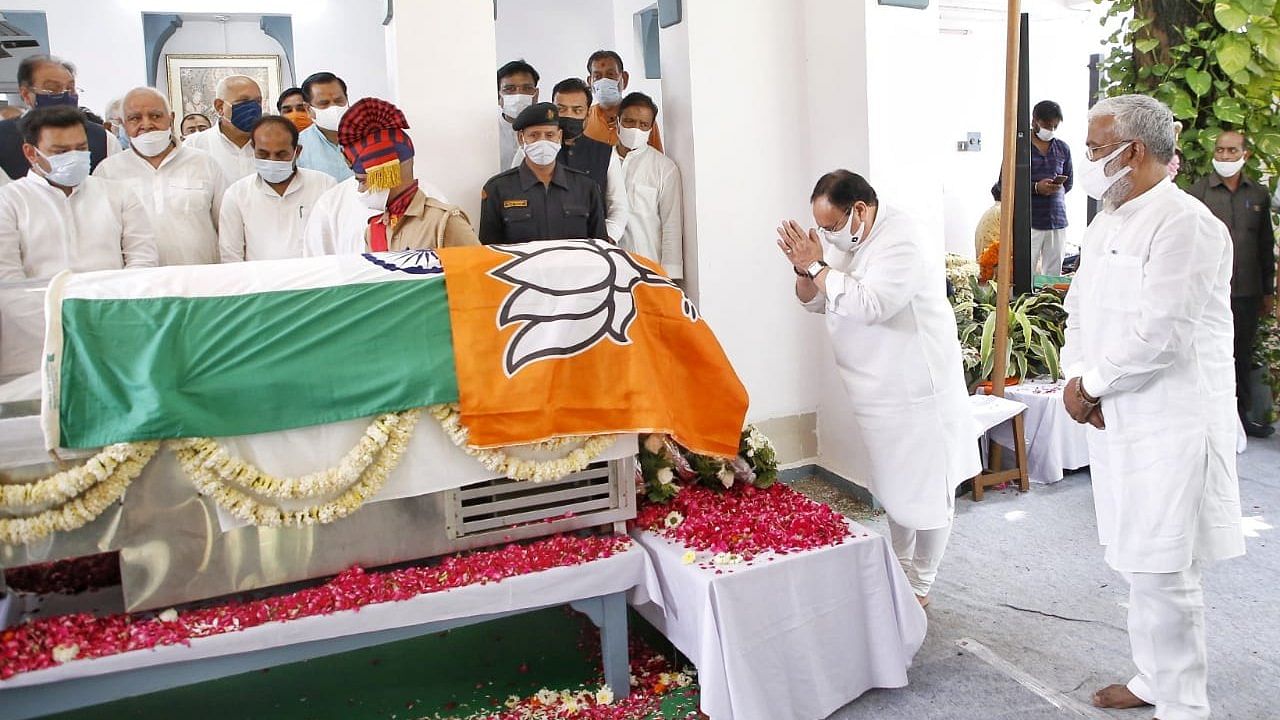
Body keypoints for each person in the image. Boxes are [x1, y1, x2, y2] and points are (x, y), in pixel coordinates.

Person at [1061, 94, 1245, 720]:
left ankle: (1184, 706)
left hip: (1172, 422)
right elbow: (1079, 310)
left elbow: (1161, 336)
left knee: (1167, 566)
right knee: (1134, 556)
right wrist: (1076, 378)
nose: (1087, 161)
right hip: (1114, 416)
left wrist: (1091, 389)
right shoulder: (1106, 220)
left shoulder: (1186, 224)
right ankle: (1152, 678)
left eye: (1093, 150)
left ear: (1131, 152)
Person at [777, 170, 978, 608]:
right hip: (874, 390)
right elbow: (815, 298)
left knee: (928, 493)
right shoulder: (843, 239)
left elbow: (871, 304)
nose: (827, 236)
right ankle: (900, 571)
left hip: (916, 389)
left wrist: (816, 265)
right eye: (823, 228)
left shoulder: (901, 238)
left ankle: (920, 587)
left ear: (861, 211)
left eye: (831, 226)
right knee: (894, 488)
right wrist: (803, 267)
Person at [1186, 130, 1277, 438]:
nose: (1224, 157)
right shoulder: (1198, 193)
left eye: (1231, 151)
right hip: (1209, 293)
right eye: (1220, 151)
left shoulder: (1258, 195)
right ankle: (1206, 421)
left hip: (1247, 292)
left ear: (1245, 155)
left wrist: (1268, 291)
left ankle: (1240, 420)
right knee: (1209, 354)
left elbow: (1266, 244)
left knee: (1241, 354)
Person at [0, 106, 157, 280]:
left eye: (81, 148)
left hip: (112, 303)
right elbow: (8, 277)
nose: (74, 157)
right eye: (61, 152)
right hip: (42, 305)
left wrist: (119, 303)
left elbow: (142, 259)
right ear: (31, 153)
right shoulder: (9, 201)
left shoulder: (118, 194)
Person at [306, 97, 476, 254]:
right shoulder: (374, 230)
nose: (360, 190)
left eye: (363, 181)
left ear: (387, 174)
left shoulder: (444, 221)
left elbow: (478, 277)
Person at [94, 87, 226, 266]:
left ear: (171, 119)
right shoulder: (108, 171)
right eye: (135, 118)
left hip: (200, 281)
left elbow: (226, 227)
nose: (147, 124)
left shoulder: (204, 163)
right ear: (124, 124)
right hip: (138, 285)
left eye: (155, 116)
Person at [512, 78, 629, 242]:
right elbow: (513, 197)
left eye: (577, 110)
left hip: (592, 249)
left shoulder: (606, 153)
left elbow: (618, 205)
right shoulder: (529, 150)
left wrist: (607, 238)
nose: (568, 116)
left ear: (588, 114)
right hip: (539, 248)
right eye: (562, 109)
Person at [479, 102, 607, 245]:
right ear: (521, 138)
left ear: (559, 136)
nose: (542, 141)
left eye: (549, 135)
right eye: (534, 135)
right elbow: (489, 252)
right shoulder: (497, 189)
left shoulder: (586, 187)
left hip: (574, 267)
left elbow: (600, 247)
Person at [218, 116, 335, 262]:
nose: (272, 161)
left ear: (297, 152)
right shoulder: (236, 195)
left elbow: (335, 243)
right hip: (260, 282)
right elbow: (231, 255)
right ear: (253, 150)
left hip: (312, 280)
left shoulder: (324, 185)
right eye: (263, 154)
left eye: (281, 154)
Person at [0, 55, 120, 180]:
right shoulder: (3, 137)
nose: (65, 95)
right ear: (26, 94)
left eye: (70, 88)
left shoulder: (104, 139)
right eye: (53, 89)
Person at [991, 100, 1073, 277]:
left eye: (1055, 126)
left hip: (1056, 221)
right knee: (1024, 273)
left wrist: (1054, 188)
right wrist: (1036, 188)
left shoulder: (1062, 149)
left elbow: (1069, 183)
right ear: (1034, 121)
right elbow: (1003, 185)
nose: (1050, 130)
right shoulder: (1017, 148)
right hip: (1028, 222)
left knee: (1053, 276)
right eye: (1047, 125)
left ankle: (1049, 304)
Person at [615, 92, 683, 278]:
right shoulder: (602, 161)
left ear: (651, 128)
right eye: (629, 122)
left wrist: (668, 276)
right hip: (607, 269)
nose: (636, 129)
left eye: (643, 124)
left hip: (648, 270)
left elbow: (671, 225)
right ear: (617, 122)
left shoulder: (664, 168)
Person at [184, 74, 263, 183]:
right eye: (244, 101)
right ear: (220, 106)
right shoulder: (194, 145)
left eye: (258, 101)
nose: (253, 107)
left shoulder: (270, 143)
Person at [583, 51, 663, 152]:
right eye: (597, 77)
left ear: (624, 79)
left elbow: (657, 159)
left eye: (610, 75)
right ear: (590, 82)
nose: (604, 81)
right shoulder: (584, 119)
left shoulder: (643, 118)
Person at [295, 71, 354, 182]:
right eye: (324, 103)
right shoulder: (299, 145)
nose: (334, 107)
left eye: (339, 101)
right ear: (308, 108)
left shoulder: (371, 138)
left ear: (347, 100)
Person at [496, 60, 539, 172]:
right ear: (498, 97)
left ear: (536, 95)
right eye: (510, 89)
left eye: (527, 88)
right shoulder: (488, 133)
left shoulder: (548, 130)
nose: (519, 95)